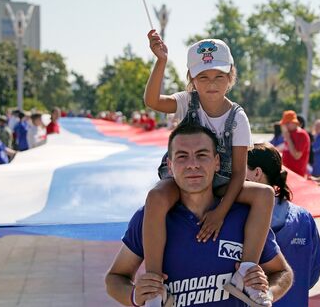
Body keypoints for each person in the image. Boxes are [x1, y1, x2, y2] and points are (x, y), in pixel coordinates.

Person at [143, 30, 275, 307]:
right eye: (203, 76)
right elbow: (152, 101)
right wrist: (161, 61)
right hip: (180, 178)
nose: (211, 83)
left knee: (264, 195)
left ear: (230, 77)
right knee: (156, 197)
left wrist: (219, 213)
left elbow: (239, 173)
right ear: (191, 79)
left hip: (221, 179)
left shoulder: (238, 117)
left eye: (218, 76)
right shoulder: (184, 102)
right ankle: (154, 283)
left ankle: (246, 270)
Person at [105, 124, 293, 307]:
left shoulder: (243, 215)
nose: (192, 165)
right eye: (182, 156)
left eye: (202, 155)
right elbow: (115, 278)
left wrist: (267, 292)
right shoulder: (151, 217)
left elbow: (282, 272)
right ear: (169, 166)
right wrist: (135, 296)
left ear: (217, 162)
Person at [246, 142, 320, 306]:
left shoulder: (242, 218)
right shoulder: (304, 217)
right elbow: (313, 273)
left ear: (257, 173)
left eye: (241, 169)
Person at [279, 110, 310, 177]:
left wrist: (288, 137)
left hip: (297, 176)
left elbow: (296, 156)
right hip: (288, 174)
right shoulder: (290, 133)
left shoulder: (301, 134)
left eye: (287, 123)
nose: (285, 126)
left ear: (294, 122)